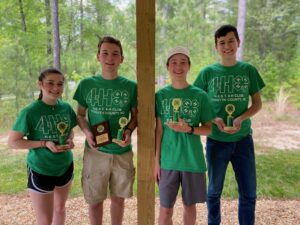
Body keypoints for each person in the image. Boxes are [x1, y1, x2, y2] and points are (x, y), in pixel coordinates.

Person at [194, 24, 266, 225]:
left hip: (243, 139)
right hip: (217, 140)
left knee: (249, 192)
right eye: (222, 42)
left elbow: (257, 103)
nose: (227, 46)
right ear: (216, 46)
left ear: (238, 42)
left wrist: (241, 118)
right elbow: (197, 104)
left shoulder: (248, 70)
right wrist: (212, 120)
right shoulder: (207, 73)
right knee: (214, 192)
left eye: (231, 41)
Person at [73, 36, 137, 225]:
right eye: (105, 53)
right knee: (94, 200)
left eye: (115, 54)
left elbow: (136, 116)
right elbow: (80, 115)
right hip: (95, 152)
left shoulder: (131, 87)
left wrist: (128, 131)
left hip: (121, 151)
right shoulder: (86, 84)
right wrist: (87, 133)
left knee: (118, 199)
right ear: (98, 56)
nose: (110, 57)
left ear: (121, 59)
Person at [8, 68, 77, 225]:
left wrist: (69, 140)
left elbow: (70, 131)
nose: (56, 88)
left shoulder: (65, 107)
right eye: (50, 83)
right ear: (40, 84)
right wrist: (44, 143)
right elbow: (13, 141)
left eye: (60, 84)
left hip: (65, 166)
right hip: (41, 169)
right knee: (45, 220)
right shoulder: (30, 112)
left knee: (60, 208)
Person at [154, 46, 214, 225]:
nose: (178, 66)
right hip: (167, 162)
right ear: (167, 66)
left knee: (189, 207)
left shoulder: (200, 96)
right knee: (165, 210)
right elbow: (158, 131)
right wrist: (155, 161)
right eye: (174, 62)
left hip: (192, 161)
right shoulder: (160, 96)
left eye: (182, 62)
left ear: (189, 66)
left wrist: (190, 129)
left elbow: (209, 128)